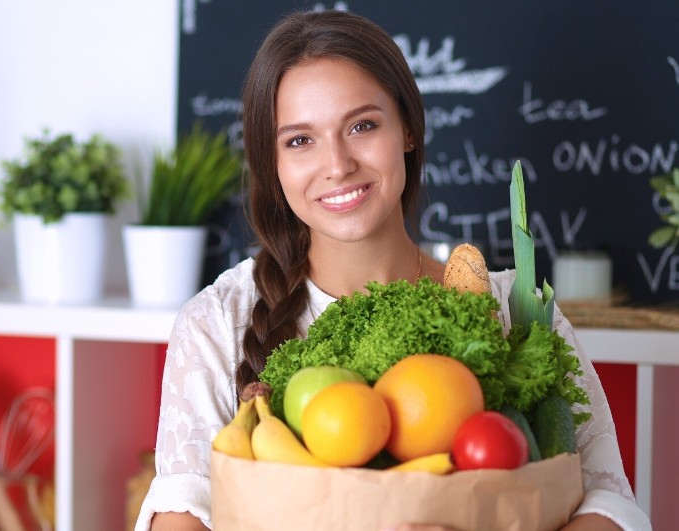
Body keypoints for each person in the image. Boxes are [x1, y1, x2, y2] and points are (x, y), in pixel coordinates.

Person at [135, 9, 650, 531]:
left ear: (406, 127)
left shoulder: (513, 309)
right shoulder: (219, 322)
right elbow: (182, 514)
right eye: (299, 140)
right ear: (273, 163)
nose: (337, 164)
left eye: (362, 126)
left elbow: (607, 503)